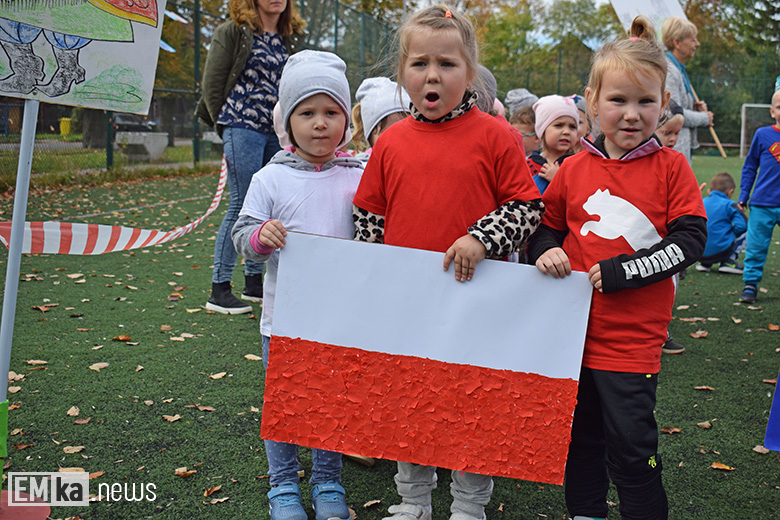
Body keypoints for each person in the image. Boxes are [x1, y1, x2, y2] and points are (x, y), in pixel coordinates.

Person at [352, 6, 543, 520]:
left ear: (471, 72)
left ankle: (469, 506)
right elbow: (368, 216)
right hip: (408, 306)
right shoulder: (390, 143)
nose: (432, 75)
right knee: (410, 402)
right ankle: (413, 500)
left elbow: (528, 208)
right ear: (402, 73)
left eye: (447, 64)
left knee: (472, 406)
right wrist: (372, 277)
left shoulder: (497, 136)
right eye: (419, 63)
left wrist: (481, 238)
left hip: (477, 304)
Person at [527, 16, 707, 520]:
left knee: (632, 448)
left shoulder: (672, 167)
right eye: (618, 100)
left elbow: (691, 240)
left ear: (664, 104)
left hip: (632, 342)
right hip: (572, 337)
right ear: (591, 101)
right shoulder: (573, 169)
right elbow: (546, 229)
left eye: (645, 101)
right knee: (580, 441)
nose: (631, 114)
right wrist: (544, 250)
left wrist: (626, 271)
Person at [231, 50, 363, 520]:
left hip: (341, 322)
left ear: (346, 121)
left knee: (332, 403)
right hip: (283, 320)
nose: (320, 123)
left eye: (331, 112)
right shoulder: (271, 178)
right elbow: (242, 235)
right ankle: (284, 486)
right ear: (287, 121)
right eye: (307, 113)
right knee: (285, 405)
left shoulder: (360, 177)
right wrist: (260, 237)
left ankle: (328, 482)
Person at [195, 0, 304, 314]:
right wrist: (225, 125)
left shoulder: (289, 37)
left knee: (269, 203)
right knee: (242, 204)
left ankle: (254, 282)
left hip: (276, 131)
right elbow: (213, 82)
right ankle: (219, 289)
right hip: (242, 126)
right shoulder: (233, 31)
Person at [737, 89, 780, 303]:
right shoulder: (762, 135)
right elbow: (750, 167)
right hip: (762, 203)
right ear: (772, 111)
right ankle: (750, 284)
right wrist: (744, 194)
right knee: (755, 246)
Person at [661, 16, 713, 165]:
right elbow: (673, 113)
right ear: (677, 42)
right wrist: (704, 118)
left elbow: (679, 106)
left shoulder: (679, 69)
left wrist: (694, 109)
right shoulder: (670, 71)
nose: (697, 44)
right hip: (674, 150)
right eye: (693, 40)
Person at [526, 94, 578, 195]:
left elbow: (582, 197)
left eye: (572, 127)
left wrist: (558, 180)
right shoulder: (528, 166)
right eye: (559, 125)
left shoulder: (579, 165)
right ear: (542, 130)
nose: (567, 132)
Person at [696, 172, 747, 274]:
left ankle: (705, 264)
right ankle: (728, 261)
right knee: (750, 231)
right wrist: (731, 234)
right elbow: (742, 226)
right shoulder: (729, 204)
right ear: (730, 192)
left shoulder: (702, 202)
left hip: (699, 252)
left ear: (709, 191)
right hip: (722, 251)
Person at [351, 76, 410, 163]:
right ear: (371, 136)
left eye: (407, 131)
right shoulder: (364, 168)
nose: (399, 141)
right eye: (390, 134)